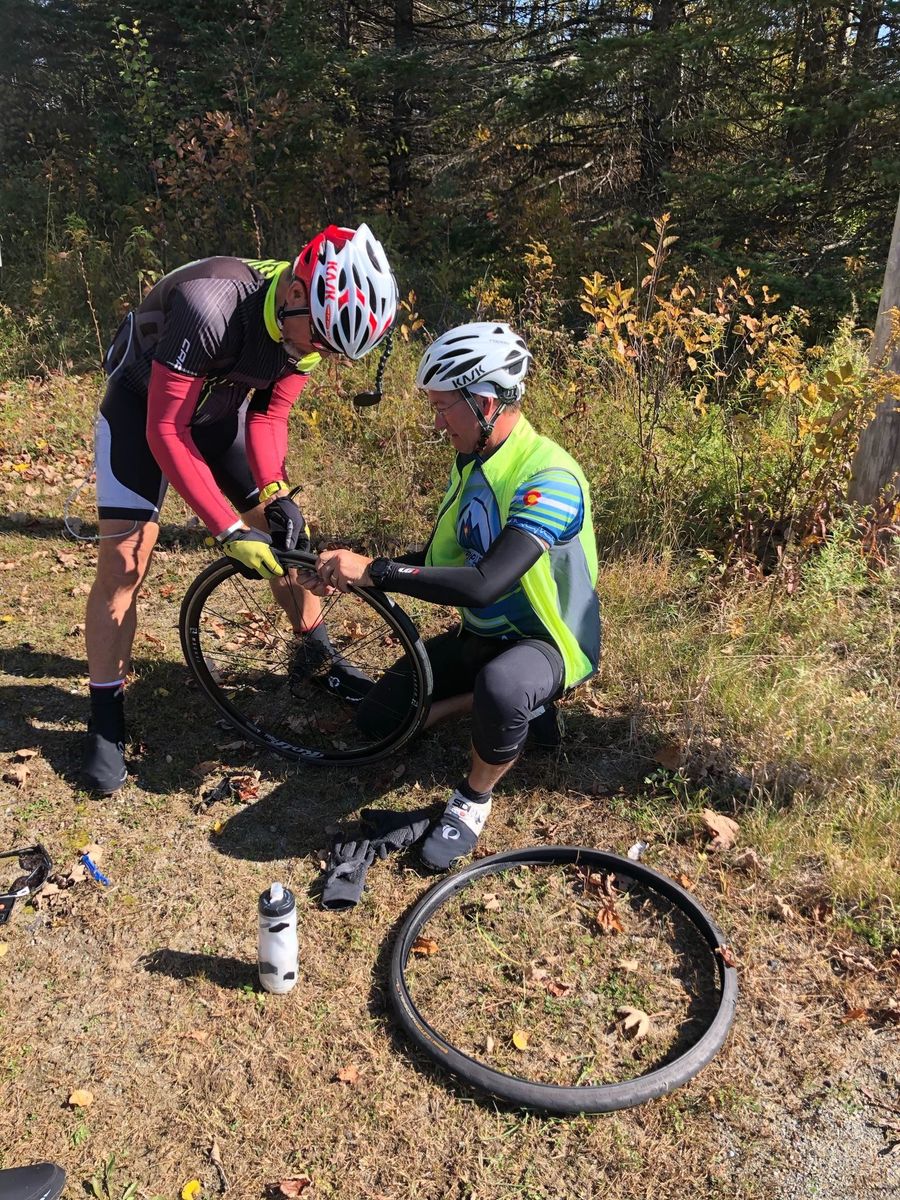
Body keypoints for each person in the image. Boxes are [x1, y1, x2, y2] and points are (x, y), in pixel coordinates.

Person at [83, 224, 398, 795]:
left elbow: (269, 414)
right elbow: (165, 428)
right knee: (127, 560)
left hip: (215, 411)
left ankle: (315, 653)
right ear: (297, 292)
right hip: (140, 408)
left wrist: (275, 493)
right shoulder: (211, 305)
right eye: (320, 340)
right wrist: (227, 528)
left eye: (333, 349)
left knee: (283, 533)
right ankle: (105, 713)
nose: (320, 353)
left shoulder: (312, 323)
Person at [313, 322, 600, 871]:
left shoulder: (549, 477)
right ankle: (500, 707)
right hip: (482, 634)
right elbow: (439, 557)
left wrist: (376, 571)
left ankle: (473, 799)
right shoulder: (476, 459)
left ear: (484, 403)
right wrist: (353, 572)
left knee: (502, 687)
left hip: (547, 642)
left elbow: (486, 582)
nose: (436, 422)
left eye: (442, 407)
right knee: (378, 721)